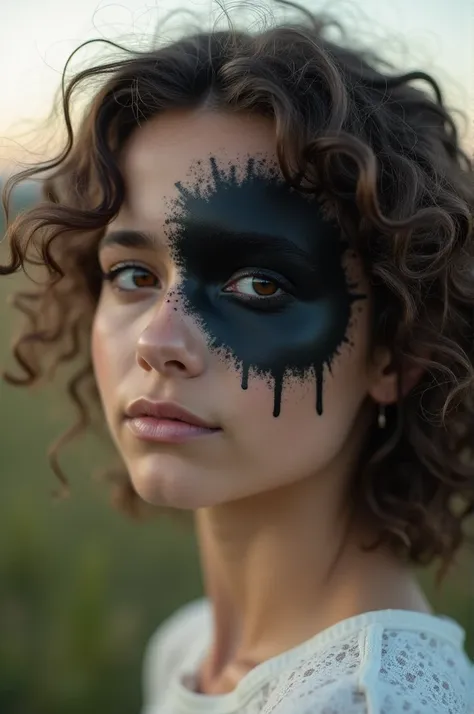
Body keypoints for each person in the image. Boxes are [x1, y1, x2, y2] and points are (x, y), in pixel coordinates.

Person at [2, 2, 474, 712]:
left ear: (395, 350)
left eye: (258, 284)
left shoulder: (372, 701)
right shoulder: (186, 649)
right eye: (133, 276)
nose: (159, 343)